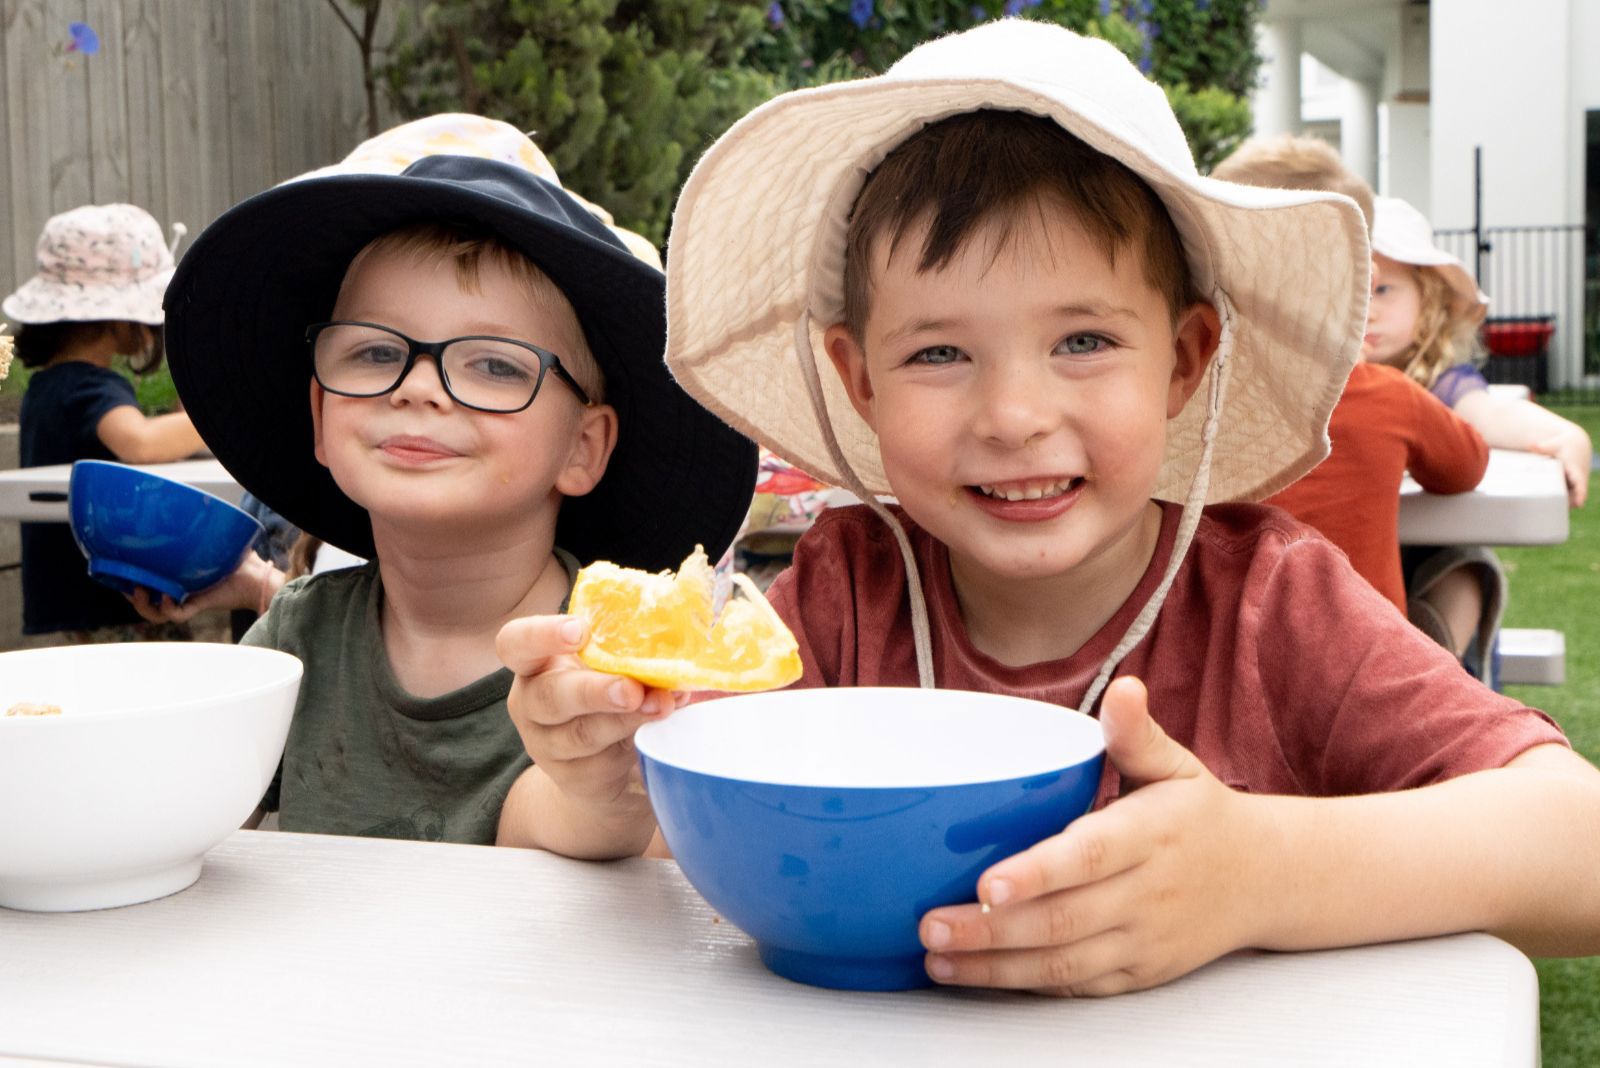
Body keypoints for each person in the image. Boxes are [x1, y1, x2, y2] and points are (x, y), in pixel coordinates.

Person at [496, 20, 1600, 995]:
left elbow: (1579, 849)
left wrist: (1259, 873)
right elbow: (591, 853)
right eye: (937, 351)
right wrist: (599, 790)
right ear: (857, 379)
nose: (1014, 414)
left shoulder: (1271, 602)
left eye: (1082, 341)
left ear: (1183, 361)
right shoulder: (838, 595)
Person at [154, 117, 756, 844]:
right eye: (376, 353)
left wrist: (600, 790)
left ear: (583, 447)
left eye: (496, 365)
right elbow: (181, 815)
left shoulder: (614, 656)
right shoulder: (298, 636)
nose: (417, 388)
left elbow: (602, 835)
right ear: (320, 415)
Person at [1211, 137, 1491, 621]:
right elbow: (1466, 465)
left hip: (1225, 658)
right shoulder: (1389, 395)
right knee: (1471, 570)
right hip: (1366, 667)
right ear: (1360, 276)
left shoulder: (1189, 401)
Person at [1366, 195, 1592, 671]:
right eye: (1350, 291)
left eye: (1383, 290)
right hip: (1341, 565)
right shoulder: (1315, 381)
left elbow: (1488, 415)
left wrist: (1564, 434)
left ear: (1427, 302)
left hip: (1418, 561)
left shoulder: (1439, 383)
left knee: (1467, 567)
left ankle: (1433, 666)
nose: (1366, 308)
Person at [3, 204, 205, 640]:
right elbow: (141, 442)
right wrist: (215, 420)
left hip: (65, 598)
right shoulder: (87, 386)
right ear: (119, 316)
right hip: (108, 605)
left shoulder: (47, 385)